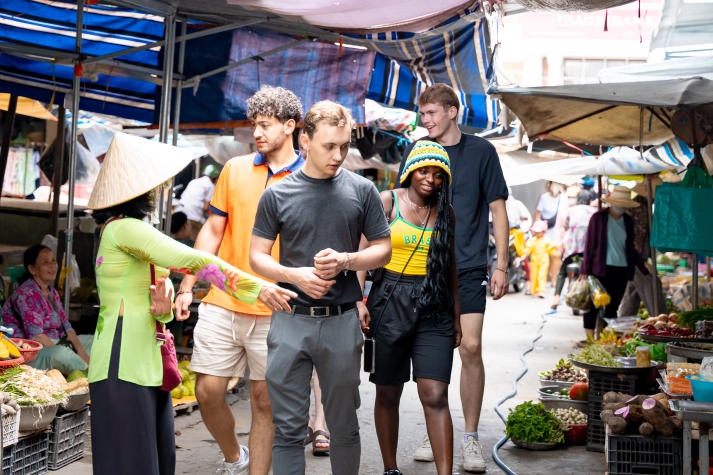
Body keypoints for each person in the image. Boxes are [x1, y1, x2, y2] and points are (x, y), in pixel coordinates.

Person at [86, 132, 296, 475]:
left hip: (145, 363)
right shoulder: (125, 230)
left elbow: (156, 300)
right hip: (122, 362)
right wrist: (255, 287)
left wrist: (164, 307)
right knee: (131, 463)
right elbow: (193, 260)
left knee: (154, 460)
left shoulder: (129, 231)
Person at [249, 100, 392, 475]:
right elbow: (256, 257)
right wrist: (296, 276)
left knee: (344, 426)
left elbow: (383, 249)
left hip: (342, 322)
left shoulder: (362, 191)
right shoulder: (277, 194)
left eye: (344, 146)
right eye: (330, 146)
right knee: (288, 429)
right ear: (304, 141)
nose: (339, 155)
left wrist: (346, 260)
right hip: (290, 319)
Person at [173, 85, 305, 475]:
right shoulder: (234, 169)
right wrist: (187, 284)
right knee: (208, 391)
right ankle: (234, 457)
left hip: (276, 308)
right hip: (222, 299)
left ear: (290, 126)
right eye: (254, 125)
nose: (257, 133)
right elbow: (213, 231)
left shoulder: (309, 179)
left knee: (264, 401)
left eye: (265, 125)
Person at [397, 83, 508, 473]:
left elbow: (497, 209)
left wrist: (502, 265)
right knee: (434, 351)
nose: (424, 121)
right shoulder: (416, 151)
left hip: (470, 265)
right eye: (422, 114)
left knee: (471, 347)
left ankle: (471, 436)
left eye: (431, 114)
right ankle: (436, 424)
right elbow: (401, 202)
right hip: (424, 270)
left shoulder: (481, 152)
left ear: (452, 112)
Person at [366, 141, 460, 475]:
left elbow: (450, 266)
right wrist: (358, 302)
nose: (430, 180)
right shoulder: (387, 201)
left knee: (435, 394)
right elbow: (363, 251)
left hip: (435, 304)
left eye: (438, 174)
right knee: (388, 392)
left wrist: (457, 316)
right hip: (389, 300)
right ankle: (391, 468)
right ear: (410, 170)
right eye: (424, 171)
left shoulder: (446, 211)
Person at [1, 244, 92, 375]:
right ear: (32, 269)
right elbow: (37, 337)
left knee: (92, 340)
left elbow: (68, 328)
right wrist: (68, 353)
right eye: (45, 262)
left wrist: (82, 353)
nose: (52, 265)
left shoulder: (52, 292)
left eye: (53, 261)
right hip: (30, 353)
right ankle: (92, 375)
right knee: (61, 354)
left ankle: (86, 368)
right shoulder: (26, 294)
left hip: (57, 343)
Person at [580, 186, 648, 339]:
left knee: (613, 307)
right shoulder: (598, 218)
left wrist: (643, 267)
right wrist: (585, 269)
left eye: (624, 204)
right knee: (593, 305)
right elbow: (589, 245)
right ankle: (590, 339)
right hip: (599, 270)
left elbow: (630, 247)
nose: (621, 207)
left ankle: (603, 337)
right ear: (612, 203)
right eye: (619, 203)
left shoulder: (628, 221)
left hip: (622, 270)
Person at [618, 177, 667, 317]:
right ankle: (661, 320)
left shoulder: (642, 204)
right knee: (651, 285)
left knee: (632, 292)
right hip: (635, 257)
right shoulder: (640, 207)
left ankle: (623, 323)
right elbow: (636, 237)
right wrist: (642, 262)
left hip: (632, 257)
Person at [550, 190, 597, 310]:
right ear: (589, 200)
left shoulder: (571, 210)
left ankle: (556, 297)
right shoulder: (595, 212)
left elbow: (565, 226)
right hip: (590, 249)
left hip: (573, 248)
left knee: (562, 272)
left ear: (577, 200)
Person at [533, 180, 567, 287]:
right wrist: (536, 229)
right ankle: (544, 279)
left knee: (556, 255)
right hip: (545, 231)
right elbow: (537, 214)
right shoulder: (544, 197)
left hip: (558, 231)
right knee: (544, 255)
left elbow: (565, 216)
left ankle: (554, 279)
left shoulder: (563, 198)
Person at [176, 163, 221, 240]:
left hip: (179, 211)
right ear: (214, 177)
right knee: (197, 239)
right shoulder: (210, 185)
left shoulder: (194, 181)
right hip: (194, 216)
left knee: (178, 238)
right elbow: (206, 207)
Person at [521, 220, 556, 299]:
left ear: (543, 232)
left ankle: (541, 291)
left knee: (542, 275)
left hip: (544, 261)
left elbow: (551, 249)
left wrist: (555, 252)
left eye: (538, 232)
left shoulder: (547, 240)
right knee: (534, 276)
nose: (536, 233)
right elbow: (528, 248)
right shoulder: (532, 240)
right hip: (534, 262)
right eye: (535, 232)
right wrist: (524, 255)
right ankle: (535, 291)